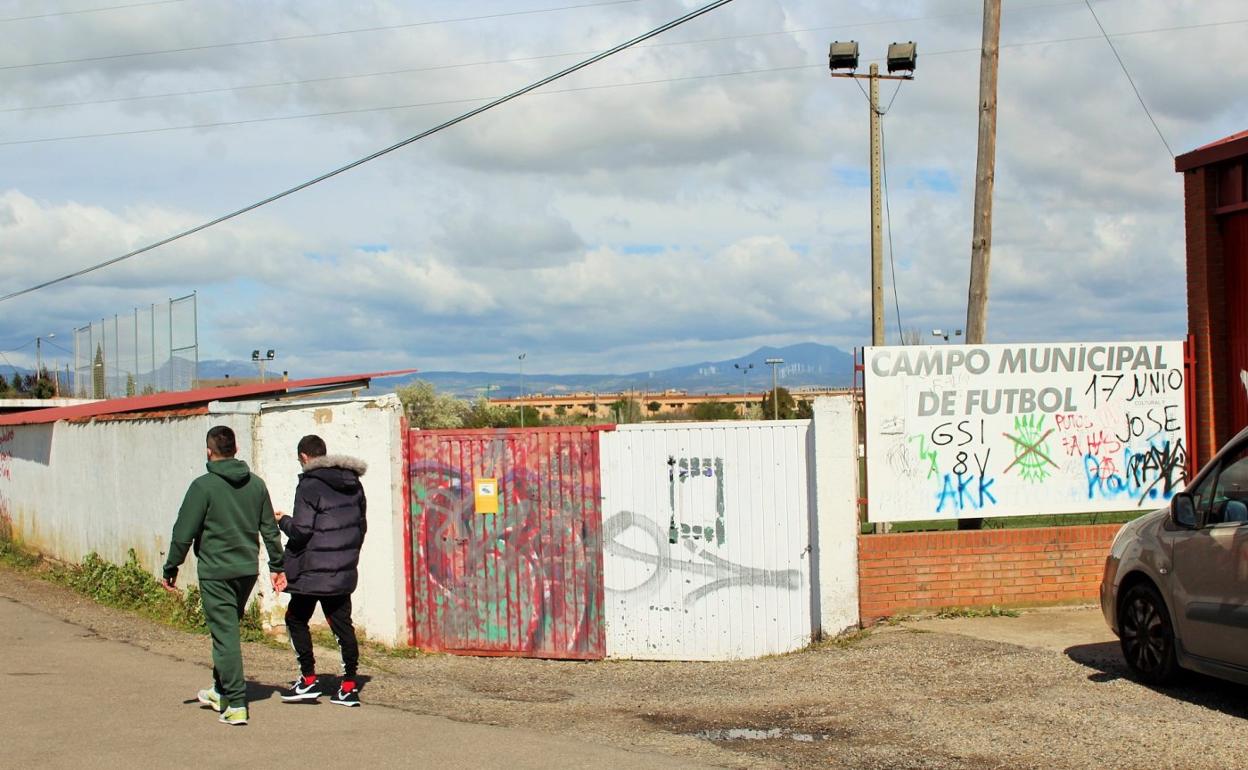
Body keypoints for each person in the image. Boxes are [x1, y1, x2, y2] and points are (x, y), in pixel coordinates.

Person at [162, 425, 285, 727]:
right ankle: (220, 690)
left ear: (209, 451)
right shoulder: (256, 485)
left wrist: (171, 567)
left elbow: (183, 532)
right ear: (236, 449)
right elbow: (270, 529)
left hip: (216, 572)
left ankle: (237, 704)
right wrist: (277, 566)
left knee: (225, 636)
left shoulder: (202, 487)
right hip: (246, 571)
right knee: (226, 630)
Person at [275, 434, 367, 707]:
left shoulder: (309, 485)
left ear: (304, 457)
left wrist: (283, 521)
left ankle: (308, 680)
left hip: (312, 570)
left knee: (295, 619)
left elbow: (302, 531)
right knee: (342, 625)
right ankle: (349, 686)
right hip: (342, 569)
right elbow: (361, 526)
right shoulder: (353, 483)